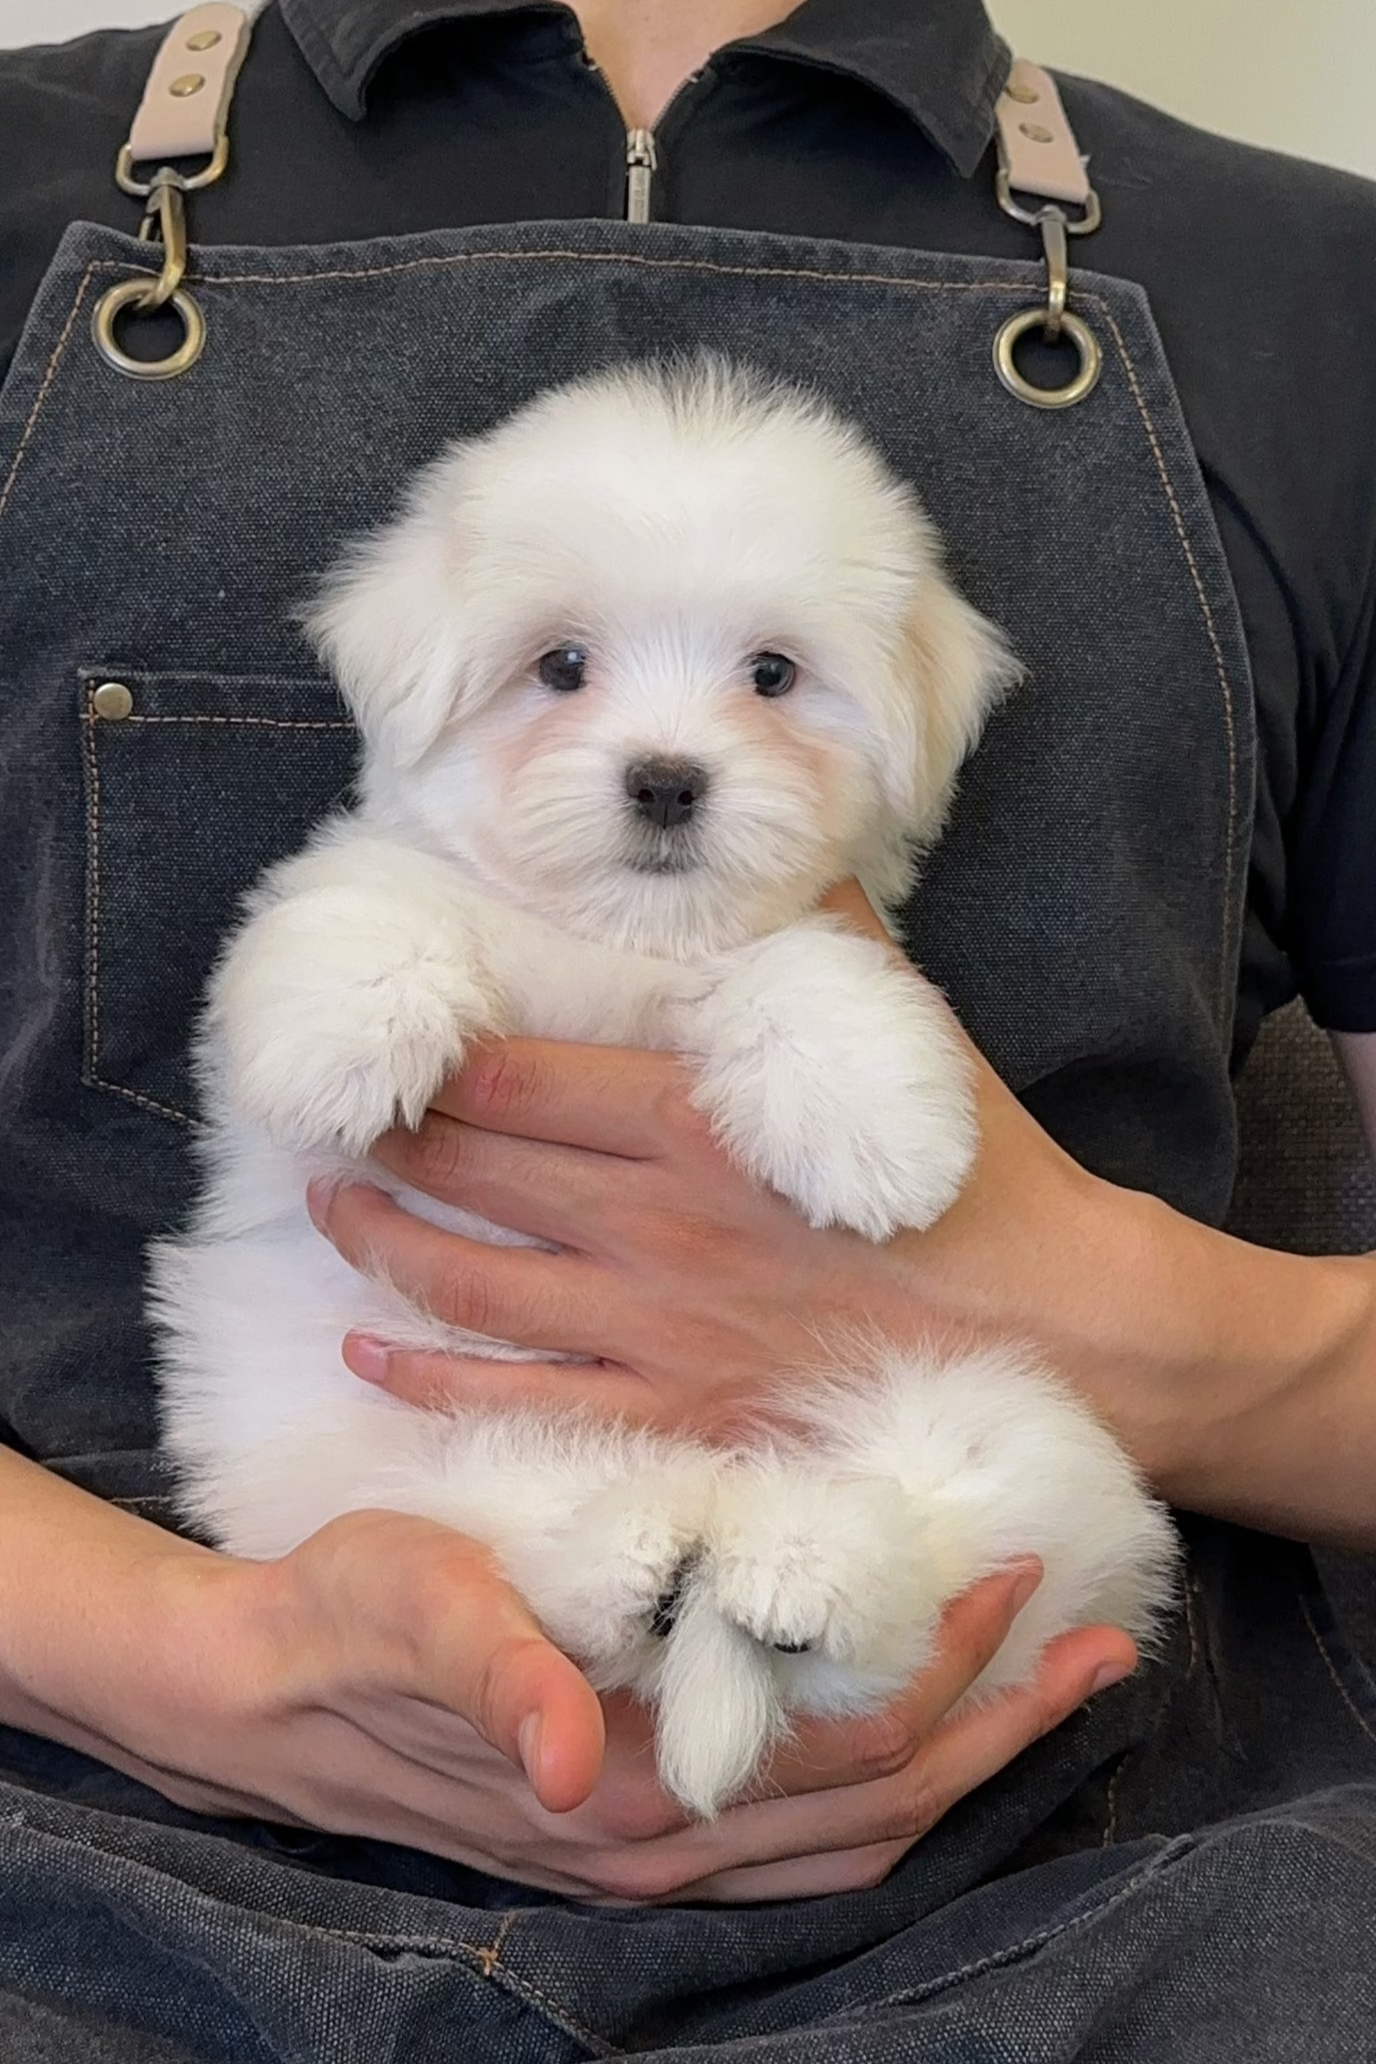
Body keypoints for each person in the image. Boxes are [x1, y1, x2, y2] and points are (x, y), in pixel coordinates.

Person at [0, 1, 1374, 2057]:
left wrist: (1092, 1315)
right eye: (559, 667)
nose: (655, 757)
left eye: (766, 674)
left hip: (1107, 1877)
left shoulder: (1321, 298)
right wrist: (210, 1667)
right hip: (80, 1831)